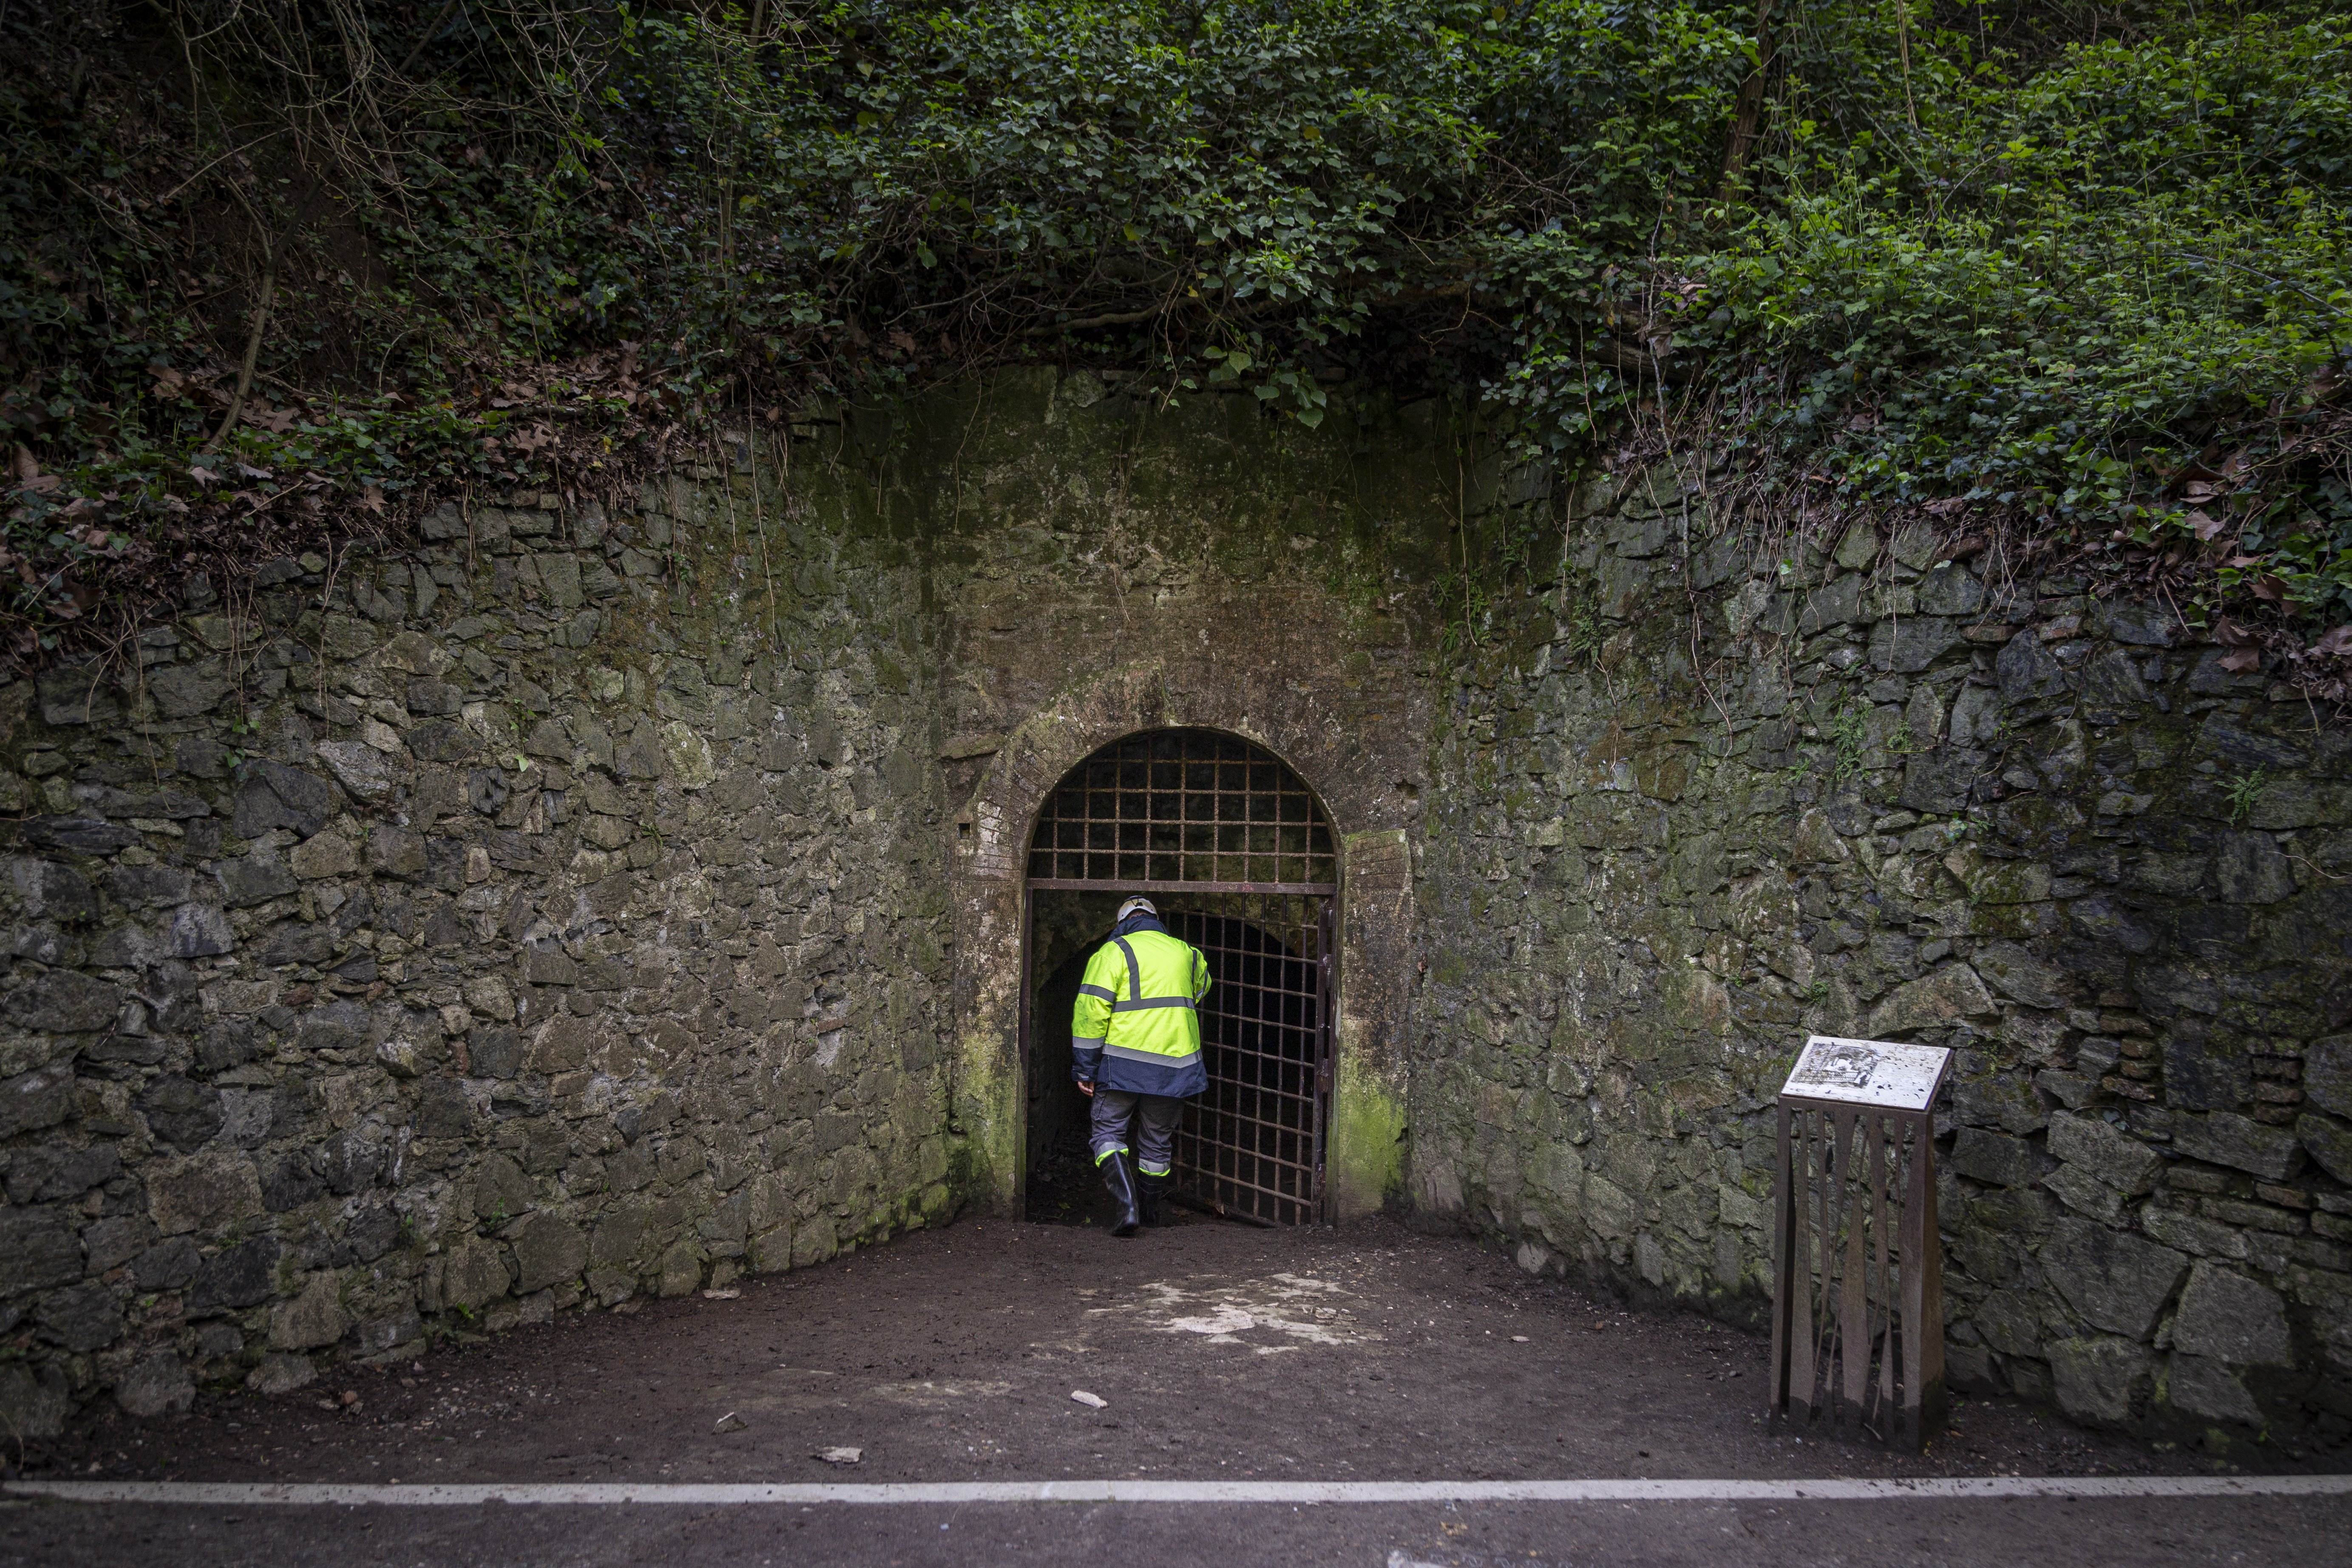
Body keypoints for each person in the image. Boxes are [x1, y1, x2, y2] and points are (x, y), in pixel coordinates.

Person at [1070, 896, 1210, 1236]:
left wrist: (1085, 1069)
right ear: (1155, 920)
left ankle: (1127, 1206)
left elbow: (1090, 1013)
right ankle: (1150, 1214)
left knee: (1107, 1133)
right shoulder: (1188, 953)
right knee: (1157, 1143)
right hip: (1175, 1066)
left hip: (1123, 1064)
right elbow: (1201, 989)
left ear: (1122, 923)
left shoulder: (1113, 952)